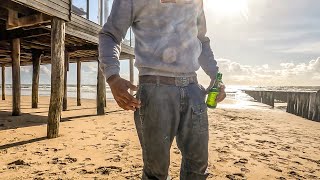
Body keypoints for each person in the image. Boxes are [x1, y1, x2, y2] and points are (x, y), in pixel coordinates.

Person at [99, 0, 226, 179]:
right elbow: (110, 35)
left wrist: (215, 76)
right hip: (154, 92)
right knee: (156, 172)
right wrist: (112, 77)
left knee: (198, 169)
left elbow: (202, 40)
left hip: (193, 89)